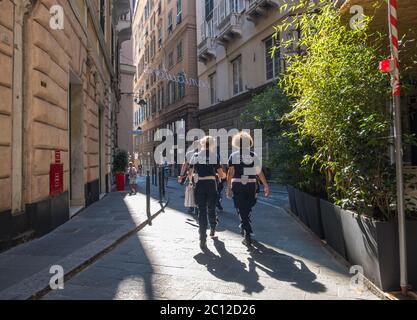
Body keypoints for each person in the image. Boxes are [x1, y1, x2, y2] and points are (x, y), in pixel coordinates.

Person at [226, 131, 270, 247]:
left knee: (241, 208)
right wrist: (265, 185)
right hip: (251, 185)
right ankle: (246, 229)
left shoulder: (233, 156)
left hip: (238, 185)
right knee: (247, 207)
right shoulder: (253, 155)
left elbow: (231, 172)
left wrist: (228, 187)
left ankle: (247, 232)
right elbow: (259, 172)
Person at [189, 136, 226, 251]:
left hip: (199, 184)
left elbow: (190, 173)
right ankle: (213, 227)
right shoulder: (214, 156)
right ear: (212, 145)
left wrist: (192, 180)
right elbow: (221, 175)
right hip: (211, 184)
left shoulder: (195, 156)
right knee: (211, 207)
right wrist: (223, 175)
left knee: (201, 211)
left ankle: (202, 238)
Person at [178, 138, 200, 214]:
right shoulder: (203, 153)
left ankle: (191, 207)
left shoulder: (189, 154)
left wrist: (181, 175)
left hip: (192, 175)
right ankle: (197, 207)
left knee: (191, 191)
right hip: (201, 175)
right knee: (199, 191)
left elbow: (184, 165)